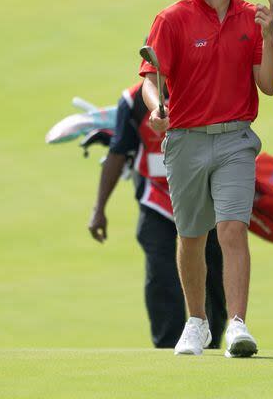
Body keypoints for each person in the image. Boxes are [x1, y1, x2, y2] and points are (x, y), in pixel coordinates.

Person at [139, 0, 273, 357]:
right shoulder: (173, 18)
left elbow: (269, 85)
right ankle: (197, 321)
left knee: (233, 228)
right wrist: (156, 108)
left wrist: (269, 35)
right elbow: (150, 79)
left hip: (236, 138)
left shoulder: (251, 17)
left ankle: (237, 324)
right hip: (185, 140)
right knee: (191, 234)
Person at [87, 81, 227, 348]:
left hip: (203, 196)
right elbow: (117, 153)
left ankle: (211, 343)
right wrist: (99, 209)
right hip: (156, 200)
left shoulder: (202, 85)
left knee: (212, 273)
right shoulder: (132, 102)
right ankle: (167, 346)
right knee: (161, 278)